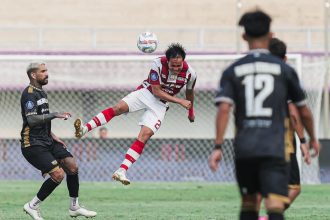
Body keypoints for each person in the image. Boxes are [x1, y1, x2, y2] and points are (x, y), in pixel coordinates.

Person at [208, 10, 320, 220]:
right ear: (270, 35)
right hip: (275, 146)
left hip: (245, 147)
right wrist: (312, 139)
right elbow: (302, 110)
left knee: (249, 202)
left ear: (244, 37)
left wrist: (218, 146)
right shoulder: (284, 70)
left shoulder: (233, 70)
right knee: (275, 203)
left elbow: (224, 109)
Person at [74, 43, 197, 185]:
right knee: (118, 108)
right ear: (167, 61)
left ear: (184, 61)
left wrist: (191, 111)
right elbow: (156, 91)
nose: (176, 69)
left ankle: (121, 171)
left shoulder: (191, 74)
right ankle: (84, 129)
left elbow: (189, 93)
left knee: (144, 136)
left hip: (160, 105)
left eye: (179, 66)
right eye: (172, 65)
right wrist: (180, 101)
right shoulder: (157, 63)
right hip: (147, 93)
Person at [20, 62, 96, 220]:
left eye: (46, 70)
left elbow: (42, 120)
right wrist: (55, 114)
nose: (47, 73)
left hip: (47, 140)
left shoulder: (42, 93)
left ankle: (74, 207)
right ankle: (32, 206)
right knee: (58, 175)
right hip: (32, 143)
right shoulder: (28, 94)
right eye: (43, 71)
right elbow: (32, 120)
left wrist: (54, 136)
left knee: (72, 166)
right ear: (33, 75)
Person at [257, 38, 312, 220]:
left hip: (256, 136)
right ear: (285, 58)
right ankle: (267, 217)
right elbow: (294, 114)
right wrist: (304, 141)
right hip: (282, 139)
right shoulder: (286, 77)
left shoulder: (255, 76)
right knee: (293, 187)